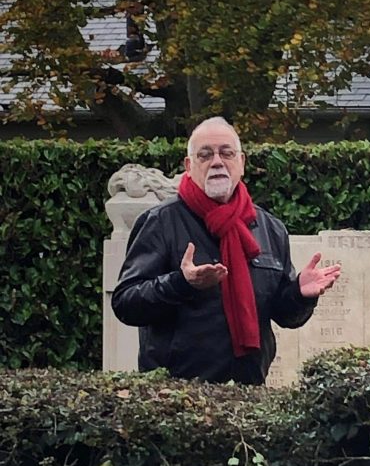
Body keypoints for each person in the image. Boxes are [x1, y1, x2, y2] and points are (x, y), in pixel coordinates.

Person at [112, 116, 341, 384]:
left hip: (248, 390)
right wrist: (180, 283)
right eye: (205, 155)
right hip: (176, 395)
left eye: (226, 153)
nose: (217, 162)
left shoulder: (268, 228)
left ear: (241, 163)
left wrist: (300, 294)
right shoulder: (161, 222)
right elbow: (126, 303)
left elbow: (283, 314)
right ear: (189, 166)